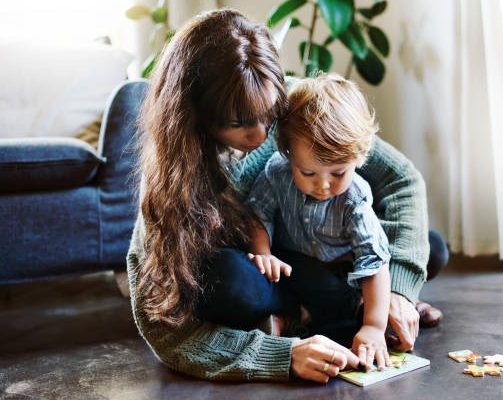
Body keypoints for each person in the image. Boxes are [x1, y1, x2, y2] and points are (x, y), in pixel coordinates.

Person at [127, 8, 447, 384]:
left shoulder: (298, 105)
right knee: (226, 282)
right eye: (240, 123)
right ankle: (314, 315)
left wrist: (398, 290)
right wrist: (283, 356)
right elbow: (164, 330)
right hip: (272, 271)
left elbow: (401, 180)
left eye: (269, 114)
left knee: (430, 247)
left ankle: (348, 308)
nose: (262, 134)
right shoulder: (172, 172)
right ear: (196, 115)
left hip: (335, 252)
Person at [245, 74, 392, 371]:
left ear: (358, 158)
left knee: (427, 254)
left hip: (340, 272)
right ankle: (305, 315)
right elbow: (257, 214)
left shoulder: (355, 198)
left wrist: (374, 327)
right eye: (308, 173)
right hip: (294, 266)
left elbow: (373, 263)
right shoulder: (277, 172)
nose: (323, 185)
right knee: (273, 274)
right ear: (288, 154)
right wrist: (263, 253)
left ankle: (379, 312)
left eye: (338, 174)